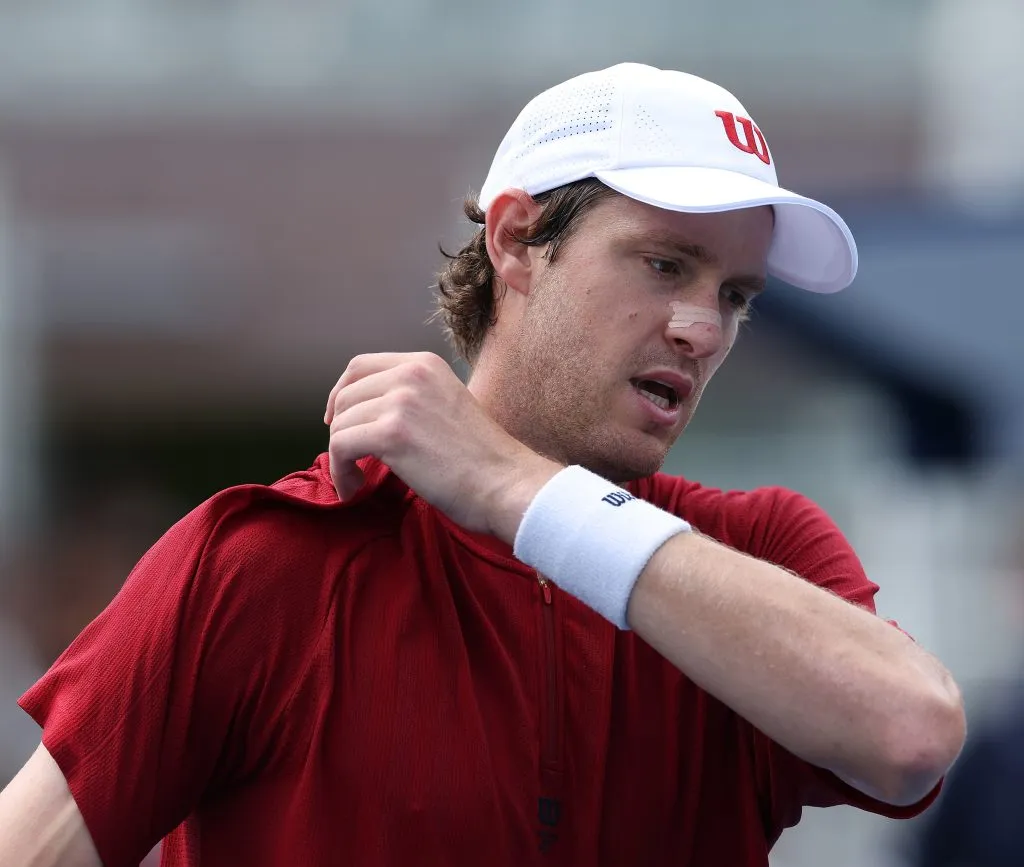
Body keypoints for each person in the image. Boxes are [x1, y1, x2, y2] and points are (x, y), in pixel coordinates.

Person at [0, 63, 965, 867]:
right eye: (665, 264)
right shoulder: (267, 561)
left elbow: (910, 735)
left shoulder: (759, 546)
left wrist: (516, 487)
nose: (703, 327)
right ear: (514, 241)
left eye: (738, 293)